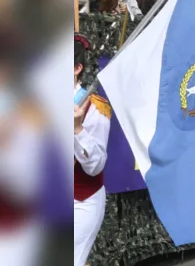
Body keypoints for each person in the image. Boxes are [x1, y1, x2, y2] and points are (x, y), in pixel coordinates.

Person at [73, 34, 111, 266]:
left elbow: (96, 165)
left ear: (77, 68)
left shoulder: (93, 106)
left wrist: (78, 129)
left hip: (80, 200)